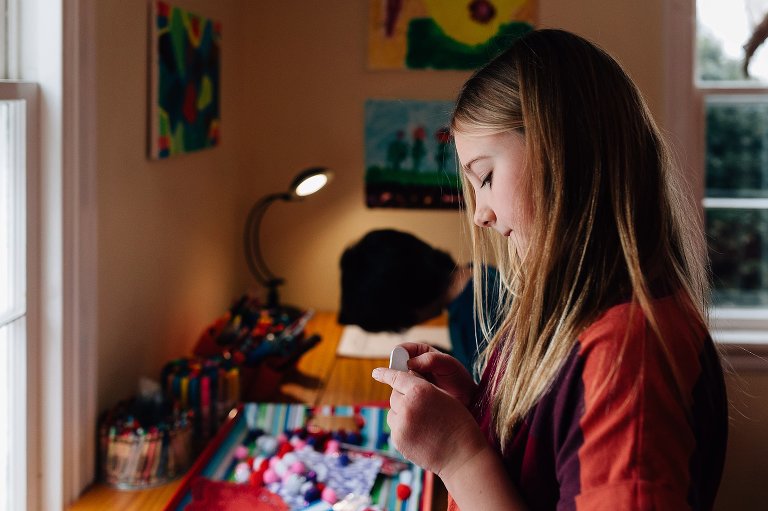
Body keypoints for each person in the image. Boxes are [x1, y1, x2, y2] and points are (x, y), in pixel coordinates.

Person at [371, 28, 728, 510]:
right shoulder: (564, 315)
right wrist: (477, 411)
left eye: (487, 177)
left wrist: (458, 456)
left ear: (565, 153)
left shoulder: (628, 358)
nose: (480, 213)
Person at [338, 228, 501, 376]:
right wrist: (447, 356)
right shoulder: (478, 276)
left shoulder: (477, 319)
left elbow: (486, 393)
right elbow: (473, 361)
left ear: (408, 309)